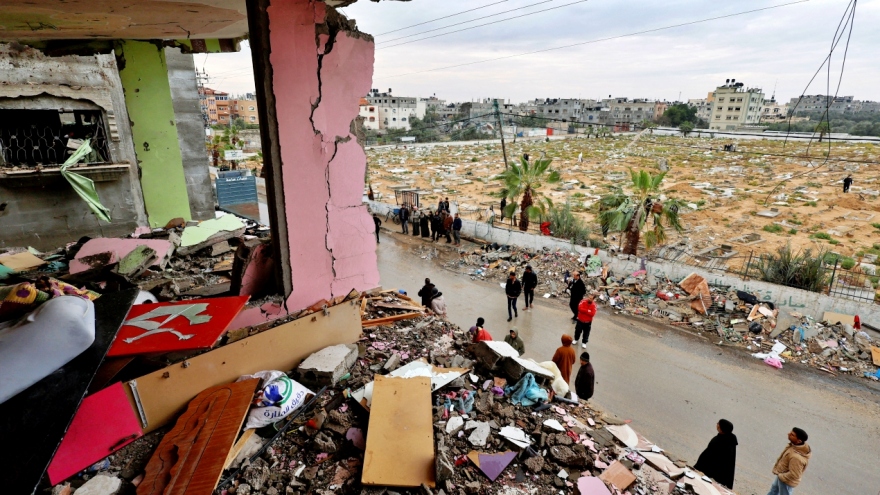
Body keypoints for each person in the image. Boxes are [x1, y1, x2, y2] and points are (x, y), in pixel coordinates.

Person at [694, 419, 737, 490]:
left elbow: (709, 455)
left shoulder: (720, 441)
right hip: (722, 473)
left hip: (713, 470)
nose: (717, 424)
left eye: (718, 424)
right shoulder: (730, 439)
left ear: (722, 428)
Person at [767, 428, 811, 495]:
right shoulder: (794, 445)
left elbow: (795, 475)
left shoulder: (796, 458)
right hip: (782, 475)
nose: (788, 434)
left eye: (792, 435)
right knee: (774, 490)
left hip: (786, 480)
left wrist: (781, 476)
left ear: (799, 441)